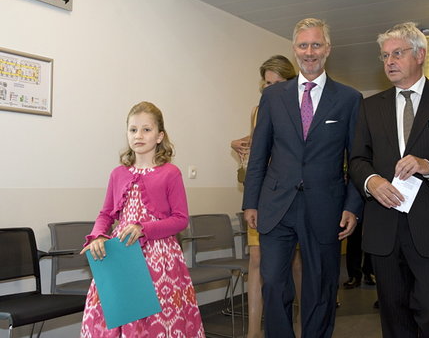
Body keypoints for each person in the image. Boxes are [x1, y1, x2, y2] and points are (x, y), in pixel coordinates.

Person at [349, 22, 429, 337]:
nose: (389, 62)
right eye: (384, 56)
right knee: (394, 318)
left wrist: (428, 164)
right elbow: (356, 160)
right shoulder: (369, 107)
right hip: (385, 229)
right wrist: (371, 182)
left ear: (420, 54)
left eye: (397, 53)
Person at [242, 18, 363, 338]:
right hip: (275, 205)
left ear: (328, 49)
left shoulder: (349, 98)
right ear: (294, 49)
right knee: (273, 284)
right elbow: (259, 154)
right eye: (303, 45)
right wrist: (250, 202)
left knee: (320, 288)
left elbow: (357, 160)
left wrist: (352, 205)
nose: (310, 52)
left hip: (325, 207)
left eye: (316, 45)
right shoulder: (273, 97)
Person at [80, 101, 205, 338]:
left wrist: (143, 228)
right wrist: (97, 236)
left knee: (156, 322)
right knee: (116, 315)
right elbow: (106, 214)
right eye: (133, 129)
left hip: (160, 259)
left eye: (146, 130)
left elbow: (180, 220)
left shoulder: (171, 172)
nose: (139, 135)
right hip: (122, 254)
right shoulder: (118, 174)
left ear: (159, 136)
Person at [231, 55, 302, 338]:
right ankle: (253, 331)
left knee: (295, 263)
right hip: (262, 197)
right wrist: (236, 144)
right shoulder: (258, 110)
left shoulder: (301, 108)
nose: (270, 88)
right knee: (257, 260)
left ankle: (299, 322)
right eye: (266, 83)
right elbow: (256, 149)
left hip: (290, 196)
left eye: (277, 82)